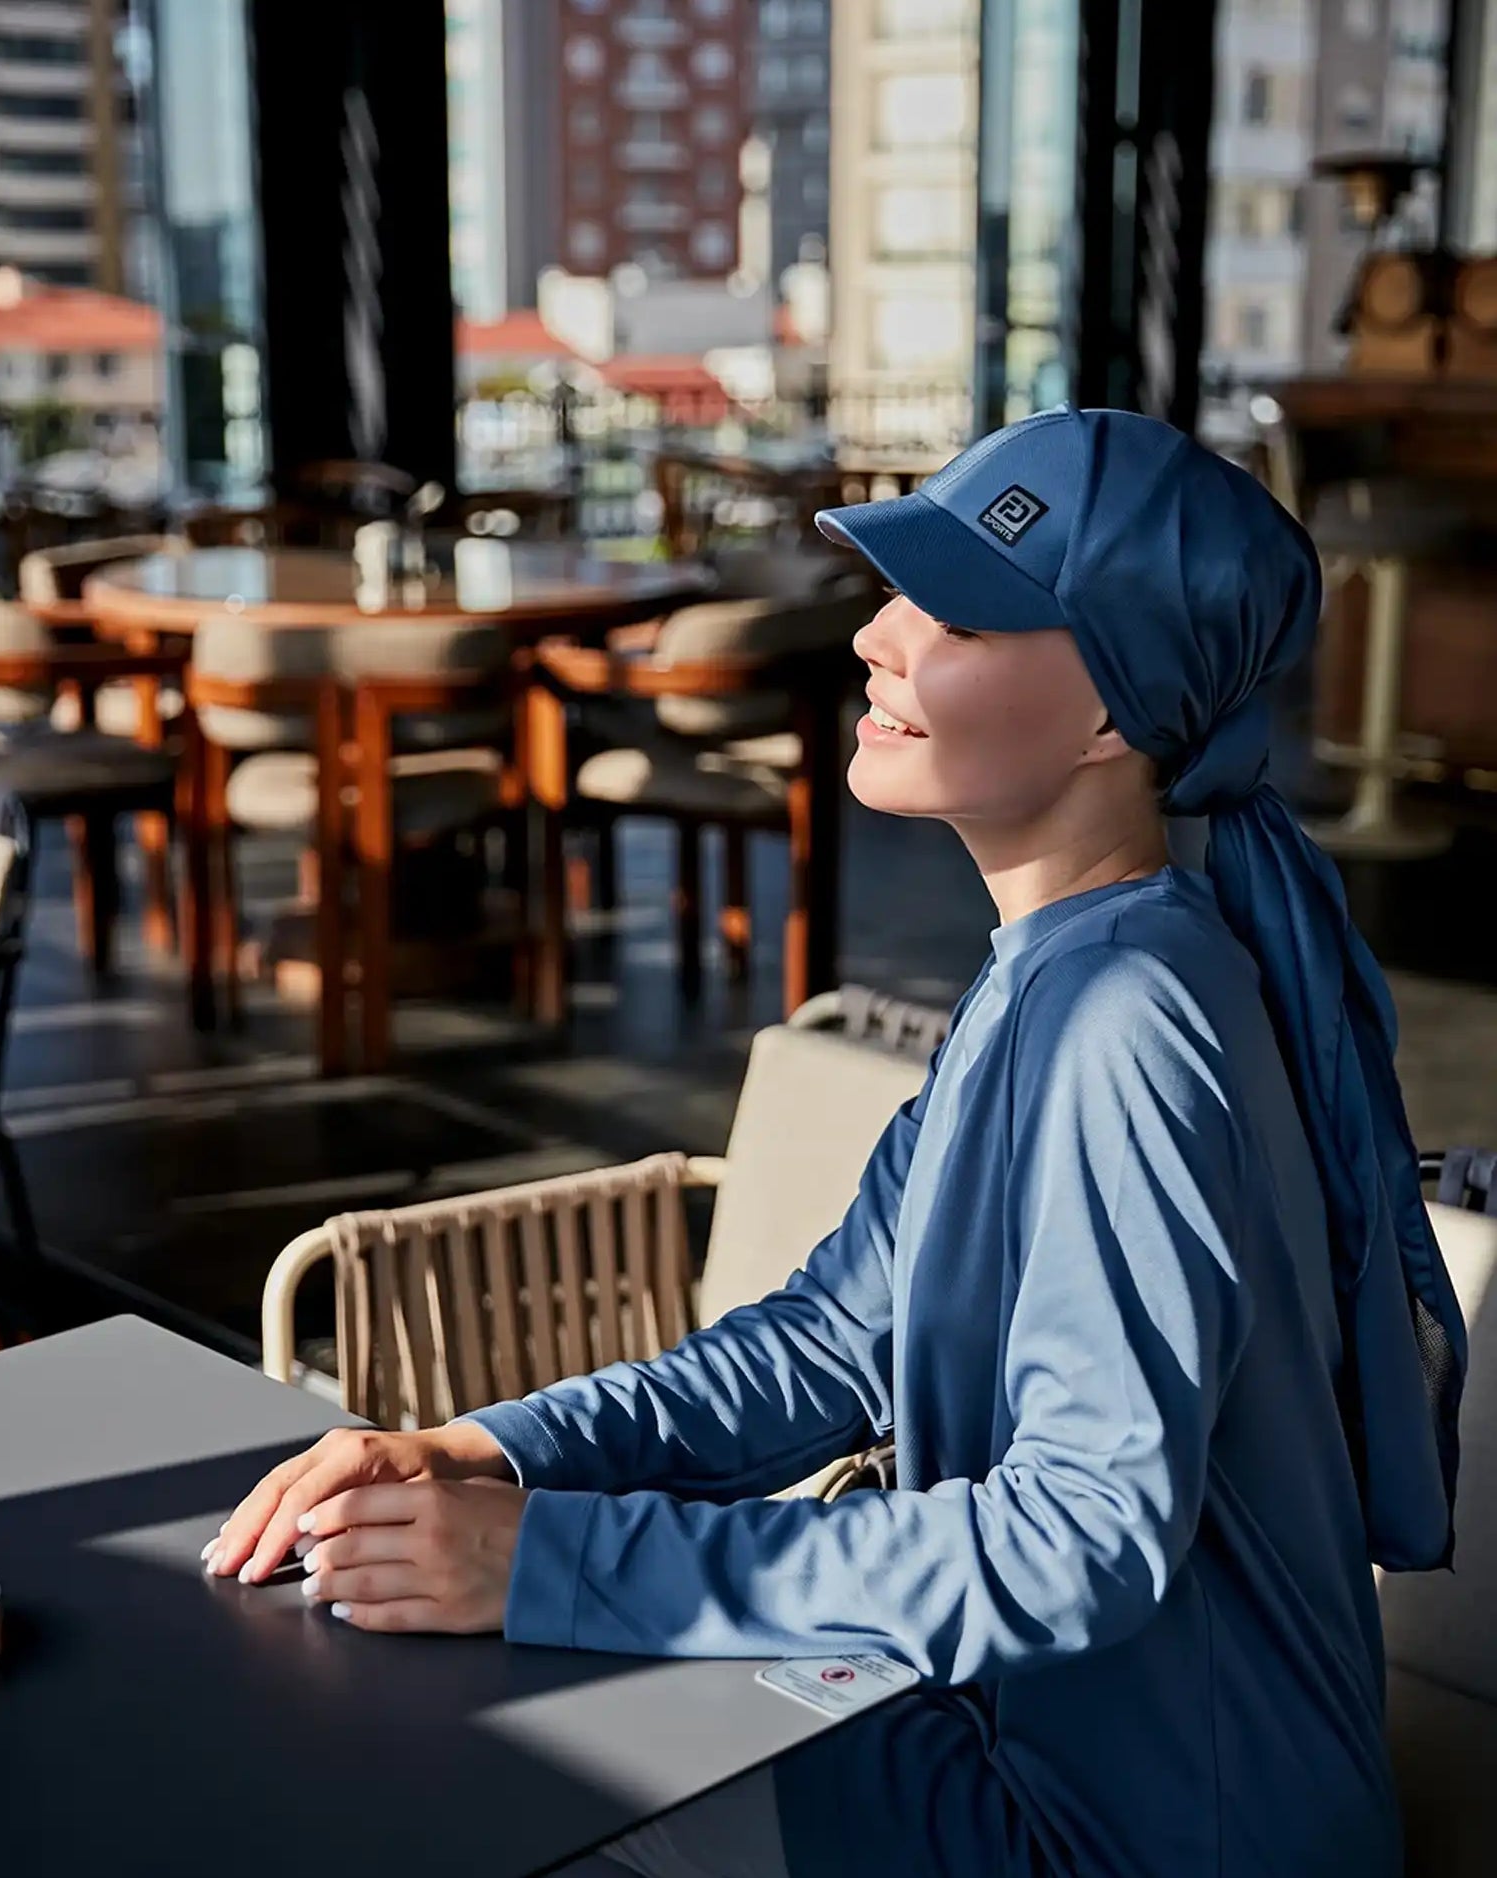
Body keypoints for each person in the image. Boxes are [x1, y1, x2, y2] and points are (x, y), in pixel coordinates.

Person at [204, 406, 1466, 1878]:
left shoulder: (1125, 1020)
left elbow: (1077, 1542)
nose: (876, 637)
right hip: (1043, 1746)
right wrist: (487, 1451)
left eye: (959, 618)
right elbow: (825, 1341)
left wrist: (543, 1559)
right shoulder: (1052, 973)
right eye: (895, 594)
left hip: (1148, 1832)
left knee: (489, 1742)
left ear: (1116, 713)